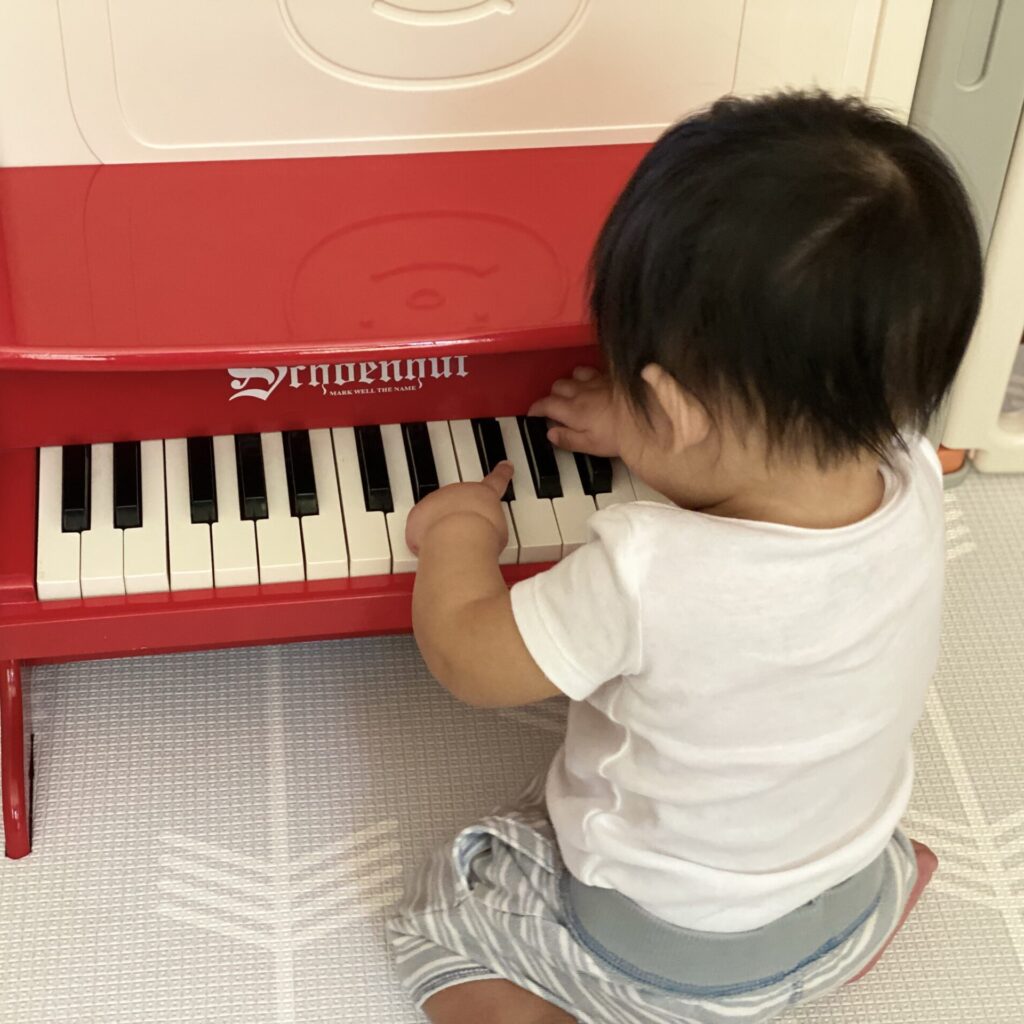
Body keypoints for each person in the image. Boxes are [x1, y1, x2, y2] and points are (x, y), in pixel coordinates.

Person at [386, 90, 983, 1024]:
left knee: (443, 909)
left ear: (674, 405)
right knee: (848, 856)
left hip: (668, 951)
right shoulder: (910, 466)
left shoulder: (647, 569)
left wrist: (457, 534)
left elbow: (470, 658)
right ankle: (860, 927)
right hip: (841, 888)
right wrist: (652, 425)